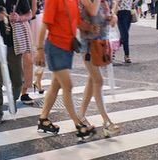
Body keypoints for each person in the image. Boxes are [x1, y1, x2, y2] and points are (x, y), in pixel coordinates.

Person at [34, 0, 97, 138]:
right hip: (55, 48)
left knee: (56, 86)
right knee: (68, 86)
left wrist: (90, 28)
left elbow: (76, 22)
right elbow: (45, 24)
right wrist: (39, 50)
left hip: (67, 49)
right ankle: (79, 125)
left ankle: (43, 119)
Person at [78, 0, 120, 136]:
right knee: (98, 80)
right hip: (88, 43)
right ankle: (106, 121)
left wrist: (112, 17)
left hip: (101, 42)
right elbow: (92, 11)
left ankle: (80, 115)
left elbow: (103, 15)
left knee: (92, 80)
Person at [0, 0, 24, 122]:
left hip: (14, 43)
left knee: (18, 79)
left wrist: (19, 17)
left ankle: (13, 99)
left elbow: (29, 14)